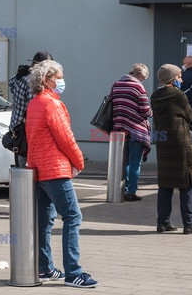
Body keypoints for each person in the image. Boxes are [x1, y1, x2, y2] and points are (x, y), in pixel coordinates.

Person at [26, 60, 98, 288]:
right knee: (73, 217)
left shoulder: (35, 103)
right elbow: (65, 138)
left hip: (37, 168)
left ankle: (45, 267)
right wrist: (79, 161)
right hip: (55, 169)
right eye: (58, 76)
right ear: (47, 79)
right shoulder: (52, 105)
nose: (61, 80)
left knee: (45, 220)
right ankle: (73, 273)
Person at [150, 64, 192, 235]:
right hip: (180, 142)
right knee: (185, 184)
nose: (181, 79)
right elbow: (189, 115)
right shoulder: (178, 95)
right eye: (179, 77)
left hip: (163, 142)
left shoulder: (155, 95)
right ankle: (189, 223)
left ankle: (162, 222)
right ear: (172, 79)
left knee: (165, 184)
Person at [111, 63, 152, 202]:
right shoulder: (138, 87)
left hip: (119, 127)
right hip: (136, 129)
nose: (143, 81)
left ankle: (121, 190)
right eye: (143, 78)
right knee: (135, 162)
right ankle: (131, 191)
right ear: (140, 75)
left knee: (124, 161)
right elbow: (145, 111)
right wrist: (151, 112)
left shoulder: (116, 84)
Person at [8, 51, 53, 167]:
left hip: (16, 129)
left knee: (20, 166)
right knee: (29, 170)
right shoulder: (33, 83)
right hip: (27, 132)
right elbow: (37, 106)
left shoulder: (20, 77)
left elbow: (11, 85)